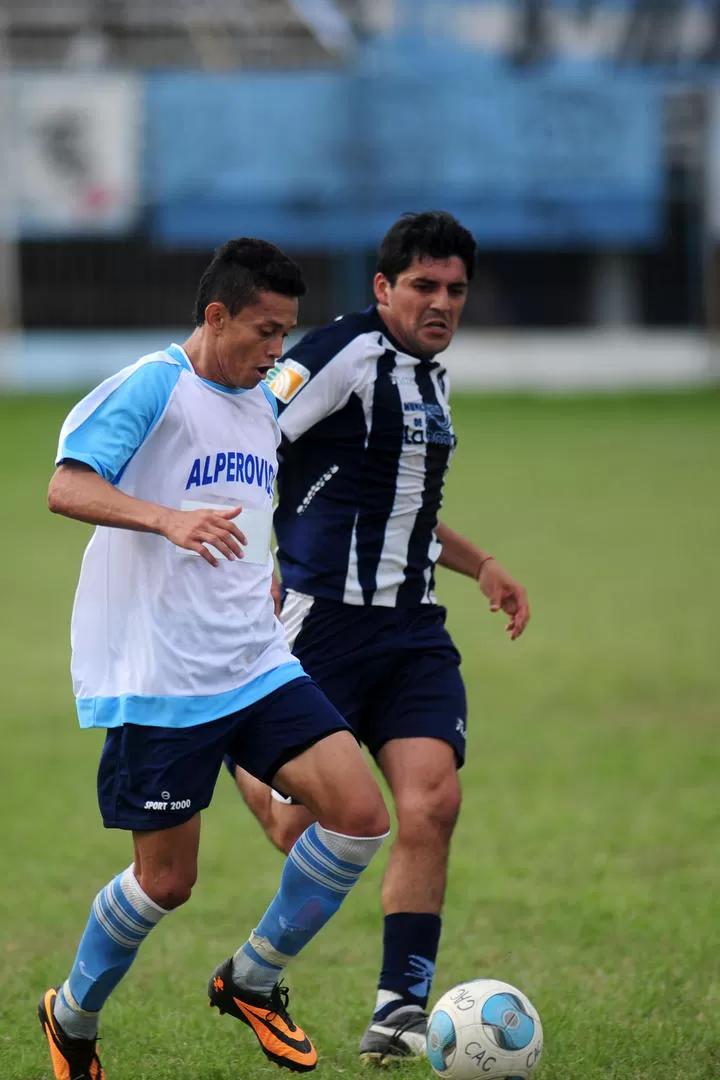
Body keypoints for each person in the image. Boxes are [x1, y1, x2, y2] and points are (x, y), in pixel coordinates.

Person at [39, 238, 390, 1080]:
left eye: (287, 333)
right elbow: (66, 486)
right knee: (165, 883)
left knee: (359, 814)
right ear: (215, 315)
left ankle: (254, 981)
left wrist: (259, 568)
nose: (277, 351)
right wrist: (167, 519)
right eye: (265, 332)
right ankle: (73, 1015)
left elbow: (244, 505)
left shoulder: (262, 406)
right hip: (160, 678)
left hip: (255, 664)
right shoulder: (155, 385)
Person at [229, 211, 530, 1064]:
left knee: (432, 802)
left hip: (413, 632)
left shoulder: (431, 379)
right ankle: (238, 747)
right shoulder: (337, 354)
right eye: (424, 287)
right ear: (383, 288)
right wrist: (258, 560)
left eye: (455, 290)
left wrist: (483, 566)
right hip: (320, 624)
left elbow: (408, 513)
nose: (441, 303)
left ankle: (400, 1010)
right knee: (301, 832)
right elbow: (247, 437)